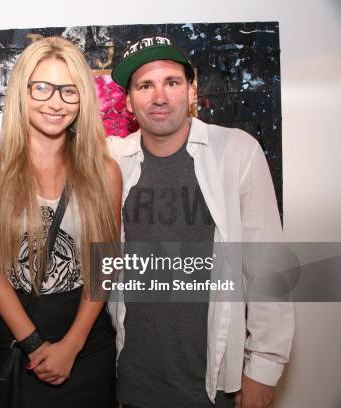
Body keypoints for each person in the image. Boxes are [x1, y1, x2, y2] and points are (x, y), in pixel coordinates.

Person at [107, 35, 294, 408]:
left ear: (191, 91)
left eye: (172, 83)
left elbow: (266, 265)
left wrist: (264, 368)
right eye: (145, 85)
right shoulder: (112, 159)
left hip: (213, 386)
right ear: (128, 101)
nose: (159, 97)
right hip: (131, 382)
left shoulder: (236, 151)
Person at [0, 36, 121, 407]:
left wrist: (73, 344)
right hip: (19, 338)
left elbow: (106, 263)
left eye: (69, 91)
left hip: (87, 342)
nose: (56, 102)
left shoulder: (106, 171)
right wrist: (34, 344)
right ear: (22, 91)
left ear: (83, 98)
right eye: (42, 88)